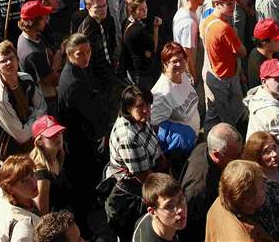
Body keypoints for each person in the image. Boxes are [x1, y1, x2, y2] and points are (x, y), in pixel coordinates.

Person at [57, 33, 108, 234]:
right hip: (78, 141)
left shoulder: (78, 70)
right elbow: (91, 114)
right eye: (80, 54)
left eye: (88, 52)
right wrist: (101, 132)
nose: (86, 57)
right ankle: (84, 229)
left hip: (81, 136)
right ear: (70, 54)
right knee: (81, 184)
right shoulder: (73, 82)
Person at [106, 86, 165, 241]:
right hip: (130, 194)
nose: (146, 110)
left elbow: (156, 150)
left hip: (150, 173)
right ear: (128, 108)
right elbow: (146, 178)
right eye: (140, 106)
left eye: (148, 104)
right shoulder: (128, 138)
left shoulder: (141, 119)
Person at [179, 122, 242, 241]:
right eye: (235, 156)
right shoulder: (199, 187)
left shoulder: (205, 147)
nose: (239, 159)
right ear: (217, 154)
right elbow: (191, 227)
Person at [0, 40, 46, 161]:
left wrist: (33, 116)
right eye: (3, 61)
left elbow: (43, 107)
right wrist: (35, 114)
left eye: (11, 58)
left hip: (33, 144)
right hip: (13, 155)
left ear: (17, 59)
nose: (9, 63)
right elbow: (22, 136)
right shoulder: (0, 98)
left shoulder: (26, 78)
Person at [244, 59, 279, 178]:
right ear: (264, 81)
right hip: (268, 170)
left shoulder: (265, 95)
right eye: (278, 79)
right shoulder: (273, 113)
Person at [201, 0, 247, 131]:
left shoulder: (206, 21)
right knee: (226, 117)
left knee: (213, 112)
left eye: (233, 2)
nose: (232, 7)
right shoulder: (224, 28)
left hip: (212, 71)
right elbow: (242, 52)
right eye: (228, 3)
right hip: (223, 76)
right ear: (216, 4)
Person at [241, 132, 279, 238]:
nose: (274, 154)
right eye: (267, 151)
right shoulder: (261, 186)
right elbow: (267, 227)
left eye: (275, 148)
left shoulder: (277, 169)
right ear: (256, 156)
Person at [204, 160, 273, 242]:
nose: (266, 187)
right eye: (261, 186)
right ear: (248, 201)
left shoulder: (222, 201)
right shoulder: (244, 238)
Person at [150, 42, 200, 137]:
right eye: (174, 61)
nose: (179, 64)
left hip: (193, 138)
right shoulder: (162, 93)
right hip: (181, 147)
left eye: (182, 60)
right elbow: (155, 125)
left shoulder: (182, 75)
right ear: (165, 64)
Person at [17, 0, 58, 108]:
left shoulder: (26, 36)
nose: (47, 20)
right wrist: (57, 60)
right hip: (46, 101)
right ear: (34, 21)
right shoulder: (33, 53)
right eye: (44, 17)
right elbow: (52, 81)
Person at [0, 155, 42, 242]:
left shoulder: (10, 195)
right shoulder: (24, 231)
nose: (33, 182)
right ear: (10, 189)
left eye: (32, 174)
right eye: (24, 181)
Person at [29, 114, 68, 216]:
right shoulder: (42, 175)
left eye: (59, 132)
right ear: (40, 141)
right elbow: (43, 214)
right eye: (51, 135)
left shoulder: (58, 155)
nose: (58, 136)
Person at [122, 0, 161, 92]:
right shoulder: (138, 30)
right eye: (141, 9)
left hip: (132, 69)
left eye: (146, 7)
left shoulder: (126, 22)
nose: (145, 11)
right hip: (141, 71)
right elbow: (153, 48)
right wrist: (156, 28)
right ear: (133, 12)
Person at [131, 173, 187, 242]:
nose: (180, 209)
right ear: (153, 212)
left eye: (181, 199)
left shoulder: (145, 218)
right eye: (169, 206)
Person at [171, 0, 203, 82]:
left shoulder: (181, 11)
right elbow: (187, 55)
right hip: (189, 71)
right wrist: (193, 76)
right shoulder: (189, 23)